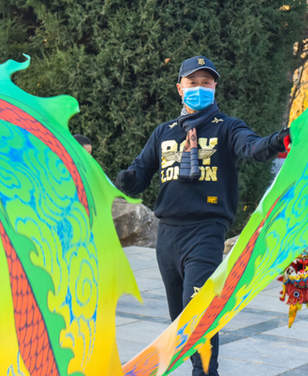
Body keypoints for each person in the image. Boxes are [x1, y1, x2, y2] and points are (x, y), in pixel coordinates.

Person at [115, 56, 290, 376]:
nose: (199, 88)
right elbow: (140, 174)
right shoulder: (163, 133)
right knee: (180, 317)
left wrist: (279, 141)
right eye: (192, 83)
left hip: (207, 229)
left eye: (206, 82)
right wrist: (125, 180)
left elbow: (253, 148)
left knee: (198, 309)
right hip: (167, 234)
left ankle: (206, 373)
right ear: (179, 88)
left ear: (215, 87)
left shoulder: (228, 127)